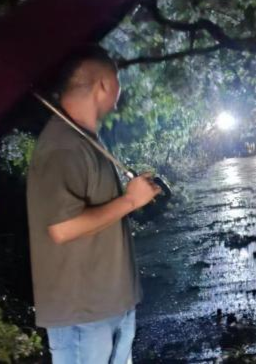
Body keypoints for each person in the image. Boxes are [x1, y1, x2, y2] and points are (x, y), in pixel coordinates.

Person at [26, 46, 161, 364]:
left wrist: (134, 195)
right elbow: (62, 228)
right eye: (118, 78)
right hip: (83, 315)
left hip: (110, 305)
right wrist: (130, 200)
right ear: (103, 84)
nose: (120, 87)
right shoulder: (62, 146)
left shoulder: (86, 139)